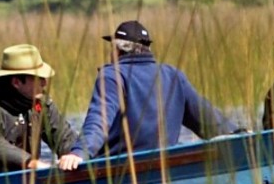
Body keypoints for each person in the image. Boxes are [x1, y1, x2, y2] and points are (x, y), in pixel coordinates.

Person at [65, 19, 234, 170]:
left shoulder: (112, 75)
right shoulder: (174, 76)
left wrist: (80, 152)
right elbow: (209, 120)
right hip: (166, 169)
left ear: (117, 50)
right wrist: (237, 134)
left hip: (120, 172)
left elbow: (99, 120)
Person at [0, 43, 82, 177]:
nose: (44, 83)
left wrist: (76, 154)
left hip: (28, 181)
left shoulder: (42, 103)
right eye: (38, 78)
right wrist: (29, 162)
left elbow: (65, 137)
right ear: (16, 82)